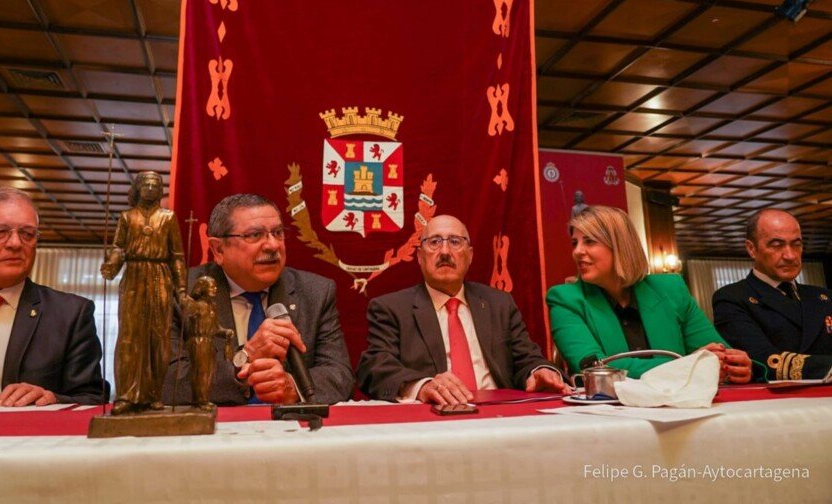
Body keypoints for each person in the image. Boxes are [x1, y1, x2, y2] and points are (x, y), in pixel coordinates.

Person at [357, 215, 569, 404]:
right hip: (433, 419)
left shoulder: (500, 304)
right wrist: (422, 386)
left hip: (500, 416)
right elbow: (374, 369)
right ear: (420, 257)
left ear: (470, 256)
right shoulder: (391, 308)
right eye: (434, 242)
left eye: (455, 242)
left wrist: (540, 370)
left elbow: (527, 359)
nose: (445, 252)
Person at [165, 194, 354, 405]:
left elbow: (340, 375)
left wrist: (292, 387)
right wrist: (246, 356)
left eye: (278, 233)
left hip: (291, 432)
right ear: (218, 250)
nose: (272, 245)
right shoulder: (181, 292)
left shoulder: (315, 292)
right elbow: (167, 381)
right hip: (214, 431)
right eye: (255, 235)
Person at [0, 187, 105, 406]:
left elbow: (93, 398)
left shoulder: (70, 314)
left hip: (17, 434)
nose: (15, 243)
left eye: (27, 234)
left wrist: (52, 398)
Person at [547, 205, 752, 383]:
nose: (577, 251)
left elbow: (716, 355)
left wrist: (735, 366)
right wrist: (687, 365)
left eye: (589, 241)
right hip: (610, 415)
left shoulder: (671, 288)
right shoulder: (565, 299)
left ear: (620, 246)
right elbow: (596, 370)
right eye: (575, 243)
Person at [101, 171, 186, 415]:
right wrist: (112, 265)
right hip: (134, 277)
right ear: (138, 188)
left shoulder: (168, 218)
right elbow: (119, 247)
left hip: (160, 276)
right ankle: (127, 395)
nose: (150, 188)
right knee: (130, 337)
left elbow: (177, 257)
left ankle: (153, 395)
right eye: (146, 184)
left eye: (155, 184)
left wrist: (181, 289)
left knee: (158, 338)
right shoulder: (127, 217)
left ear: (161, 190)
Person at [713, 209, 831, 381]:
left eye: (796, 244)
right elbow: (763, 360)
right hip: (777, 402)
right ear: (752, 249)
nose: (790, 255)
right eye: (777, 245)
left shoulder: (824, 297)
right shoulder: (733, 298)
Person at [180, 276, 236, 410]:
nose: (214, 289)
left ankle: (203, 399)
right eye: (211, 286)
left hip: (209, 342)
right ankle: (199, 401)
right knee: (200, 372)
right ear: (203, 288)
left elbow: (215, 327)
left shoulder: (213, 306)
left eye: (215, 286)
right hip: (198, 341)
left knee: (209, 373)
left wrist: (225, 332)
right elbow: (185, 304)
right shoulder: (196, 305)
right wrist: (182, 294)